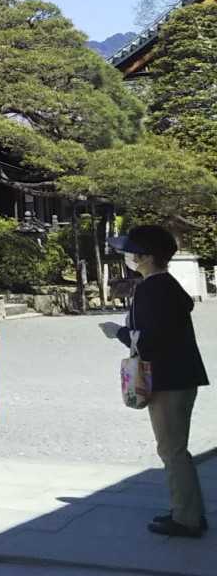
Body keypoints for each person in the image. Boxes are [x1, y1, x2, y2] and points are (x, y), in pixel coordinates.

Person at [101, 224, 208, 538]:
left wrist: (118, 332)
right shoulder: (165, 285)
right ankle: (188, 510)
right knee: (175, 448)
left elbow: (148, 340)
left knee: (172, 450)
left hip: (167, 378)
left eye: (132, 251)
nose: (128, 256)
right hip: (180, 375)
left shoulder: (151, 289)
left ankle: (186, 519)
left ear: (147, 257)